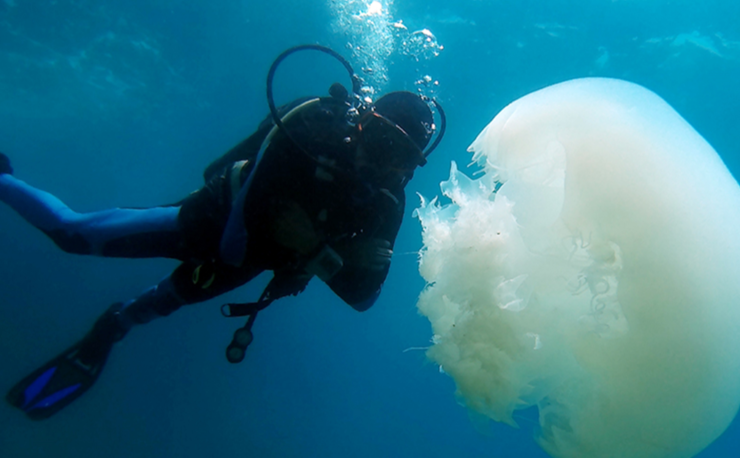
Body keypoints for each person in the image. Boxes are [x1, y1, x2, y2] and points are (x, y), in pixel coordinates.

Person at [1, 78, 441, 420]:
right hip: (206, 221)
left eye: (404, 158)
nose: (388, 164)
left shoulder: (387, 202)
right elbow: (232, 225)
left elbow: (364, 298)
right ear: (364, 123)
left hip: (255, 260)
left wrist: (309, 246)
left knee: (170, 299)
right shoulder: (311, 130)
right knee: (74, 235)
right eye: (385, 142)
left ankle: (115, 323)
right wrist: (331, 260)